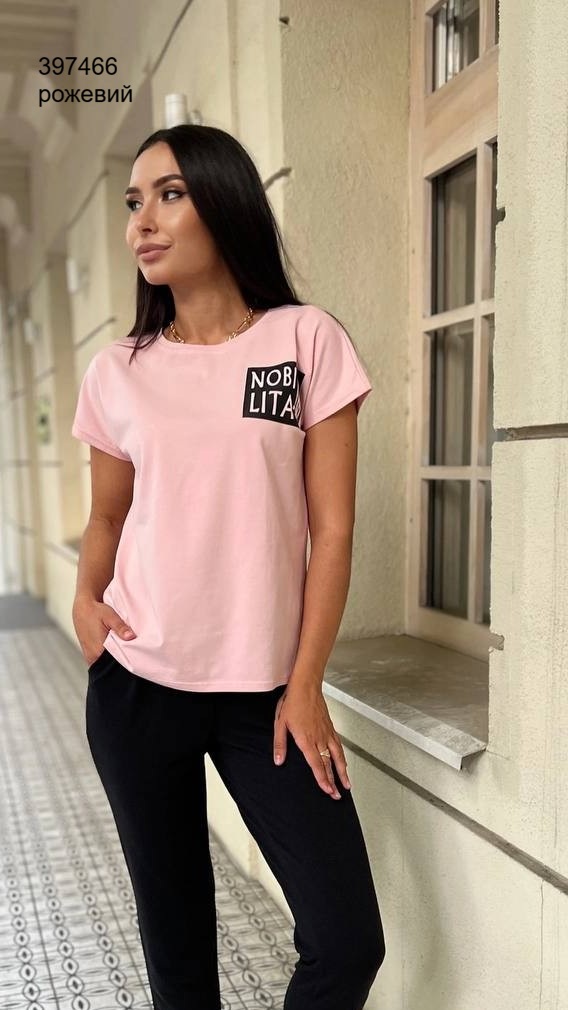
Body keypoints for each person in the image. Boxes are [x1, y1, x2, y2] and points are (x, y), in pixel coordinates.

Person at [71, 124, 385, 1010]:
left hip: (269, 698)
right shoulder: (119, 371)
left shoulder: (303, 341)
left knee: (347, 942)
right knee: (179, 959)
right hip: (139, 687)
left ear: (226, 201)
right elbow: (107, 515)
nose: (142, 222)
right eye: (134, 202)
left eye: (169, 195)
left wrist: (306, 683)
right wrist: (86, 600)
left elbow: (333, 530)